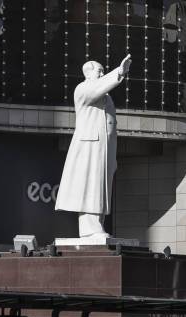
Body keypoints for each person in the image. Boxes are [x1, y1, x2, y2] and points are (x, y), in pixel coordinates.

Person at [55, 54, 132, 238]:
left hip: (104, 148)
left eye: (103, 71)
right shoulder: (83, 89)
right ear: (88, 73)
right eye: (99, 71)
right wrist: (119, 72)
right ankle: (89, 228)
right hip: (90, 145)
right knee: (91, 184)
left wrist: (112, 156)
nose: (102, 73)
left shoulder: (104, 95)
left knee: (101, 187)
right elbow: (97, 88)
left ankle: (97, 225)